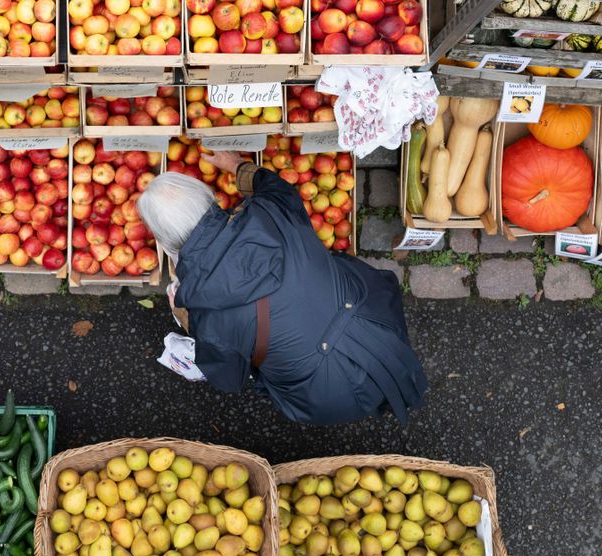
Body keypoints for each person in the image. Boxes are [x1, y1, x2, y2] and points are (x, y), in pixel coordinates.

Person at [137, 151, 427, 425]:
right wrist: (237, 166)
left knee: (260, 355)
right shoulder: (270, 210)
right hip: (378, 324)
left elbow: (229, 377)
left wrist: (188, 320)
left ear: (165, 244)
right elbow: (275, 187)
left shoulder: (207, 316)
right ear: (209, 199)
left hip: (325, 396)